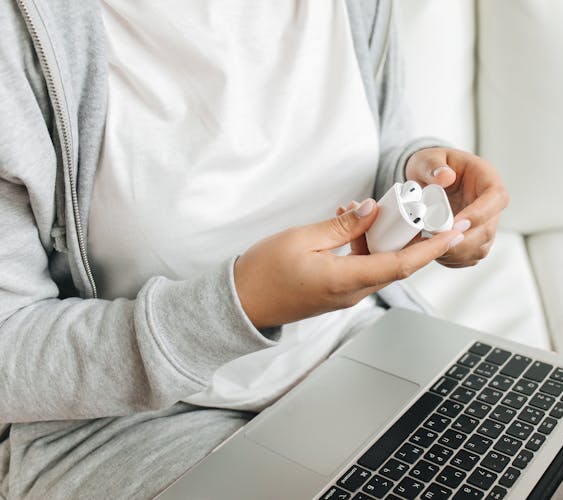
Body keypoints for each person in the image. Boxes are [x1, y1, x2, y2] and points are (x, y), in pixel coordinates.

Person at [0, 0, 507, 498]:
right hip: (123, 425)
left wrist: (419, 182)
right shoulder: (20, 33)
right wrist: (236, 308)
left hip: (357, 346)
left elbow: (383, 138)